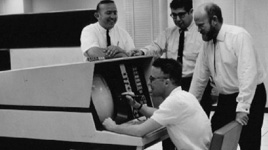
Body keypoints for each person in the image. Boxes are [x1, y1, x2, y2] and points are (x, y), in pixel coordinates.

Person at [131, 1, 212, 149]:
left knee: (190, 128)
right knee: (168, 126)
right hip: (174, 83)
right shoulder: (169, 33)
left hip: (196, 83)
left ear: (191, 12)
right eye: (173, 15)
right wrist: (142, 52)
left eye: (181, 14)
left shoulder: (201, 34)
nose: (177, 19)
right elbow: (155, 47)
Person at [190, 3, 267, 150]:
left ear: (214, 20)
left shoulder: (238, 36)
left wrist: (242, 108)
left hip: (252, 95)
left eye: (200, 25)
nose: (198, 30)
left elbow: (247, 74)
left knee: (248, 141)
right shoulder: (207, 43)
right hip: (227, 97)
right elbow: (199, 77)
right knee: (216, 136)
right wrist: (189, 104)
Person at [103, 58, 212, 150]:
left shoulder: (174, 102)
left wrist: (113, 127)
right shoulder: (185, 96)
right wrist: (137, 106)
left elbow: (139, 131)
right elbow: (159, 113)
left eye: (152, 79)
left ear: (166, 82)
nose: (148, 83)